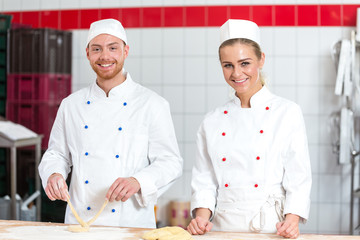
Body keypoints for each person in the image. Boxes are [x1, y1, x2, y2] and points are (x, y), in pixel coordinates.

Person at [38, 19, 183, 228]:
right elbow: (56, 154)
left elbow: (171, 162)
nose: (105, 56)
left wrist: (138, 181)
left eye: (113, 48)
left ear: (125, 51)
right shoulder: (71, 105)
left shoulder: (152, 104)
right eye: (97, 49)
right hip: (80, 222)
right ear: (87, 54)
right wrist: (54, 173)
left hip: (130, 223)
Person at [186, 19, 311, 239]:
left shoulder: (287, 112)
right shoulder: (212, 121)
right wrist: (201, 219)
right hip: (223, 227)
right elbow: (204, 181)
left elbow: (298, 176)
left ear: (261, 59)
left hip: (272, 227)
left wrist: (291, 222)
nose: (236, 73)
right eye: (228, 65)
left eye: (245, 63)